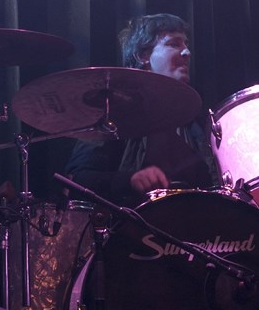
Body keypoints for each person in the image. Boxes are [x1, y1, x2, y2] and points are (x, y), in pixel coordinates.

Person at [63, 13, 218, 207]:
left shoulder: (194, 121)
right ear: (143, 56)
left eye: (186, 44)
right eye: (174, 44)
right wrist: (129, 181)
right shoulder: (115, 116)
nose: (187, 52)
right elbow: (76, 180)